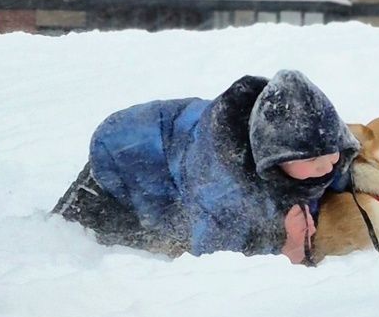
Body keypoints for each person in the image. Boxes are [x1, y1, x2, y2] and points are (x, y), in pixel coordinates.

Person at [52, 69, 359, 264]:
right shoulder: (223, 183)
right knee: (77, 238)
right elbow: (217, 262)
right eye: (311, 160)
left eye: (331, 154)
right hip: (124, 164)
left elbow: (338, 175)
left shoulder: (318, 150)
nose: (326, 167)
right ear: (275, 158)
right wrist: (288, 248)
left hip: (182, 147)